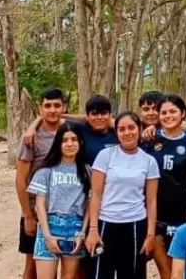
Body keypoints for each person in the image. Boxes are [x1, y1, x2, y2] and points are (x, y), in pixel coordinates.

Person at [85, 111, 159, 279]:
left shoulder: (149, 161)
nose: (127, 133)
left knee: (132, 274)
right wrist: (93, 229)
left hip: (135, 225)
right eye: (122, 129)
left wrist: (150, 235)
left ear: (139, 129)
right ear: (116, 133)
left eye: (131, 128)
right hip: (105, 224)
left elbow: (151, 201)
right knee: (99, 274)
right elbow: (95, 195)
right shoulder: (105, 156)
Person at [143, 94, 186, 279]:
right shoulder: (149, 140)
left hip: (180, 215)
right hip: (153, 215)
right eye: (164, 112)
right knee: (166, 272)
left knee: (178, 272)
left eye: (173, 111)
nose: (168, 116)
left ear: (183, 113)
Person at [28, 123, 91, 279]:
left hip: (75, 228)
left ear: (80, 142)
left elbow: (89, 205)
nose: (70, 144)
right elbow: (40, 205)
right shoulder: (45, 171)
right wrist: (47, 236)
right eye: (64, 140)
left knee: (69, 276)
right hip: (49, 226)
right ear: (58, 144)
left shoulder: (87, 171)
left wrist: (82, 233)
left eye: (74, 139)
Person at [17, 88, 68, 279]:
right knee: (32, 268)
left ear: (64, 107)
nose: (52, 110)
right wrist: (27, 216)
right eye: (47, 106)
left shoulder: (71, 132)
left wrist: (35, 121)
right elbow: (21, 179)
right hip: (36, 213)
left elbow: (91, 119)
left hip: (67, 213)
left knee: (72, 267)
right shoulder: (32, 138)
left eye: (57, 105)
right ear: (40, 108)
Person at [23, 95, 116, 166]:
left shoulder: (119, 132)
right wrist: (32, 128)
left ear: (110, 115)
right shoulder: (81, 129)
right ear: (87, 116)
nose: (99, 117)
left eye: (103, 113)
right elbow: (51, 118)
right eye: (94, 114)